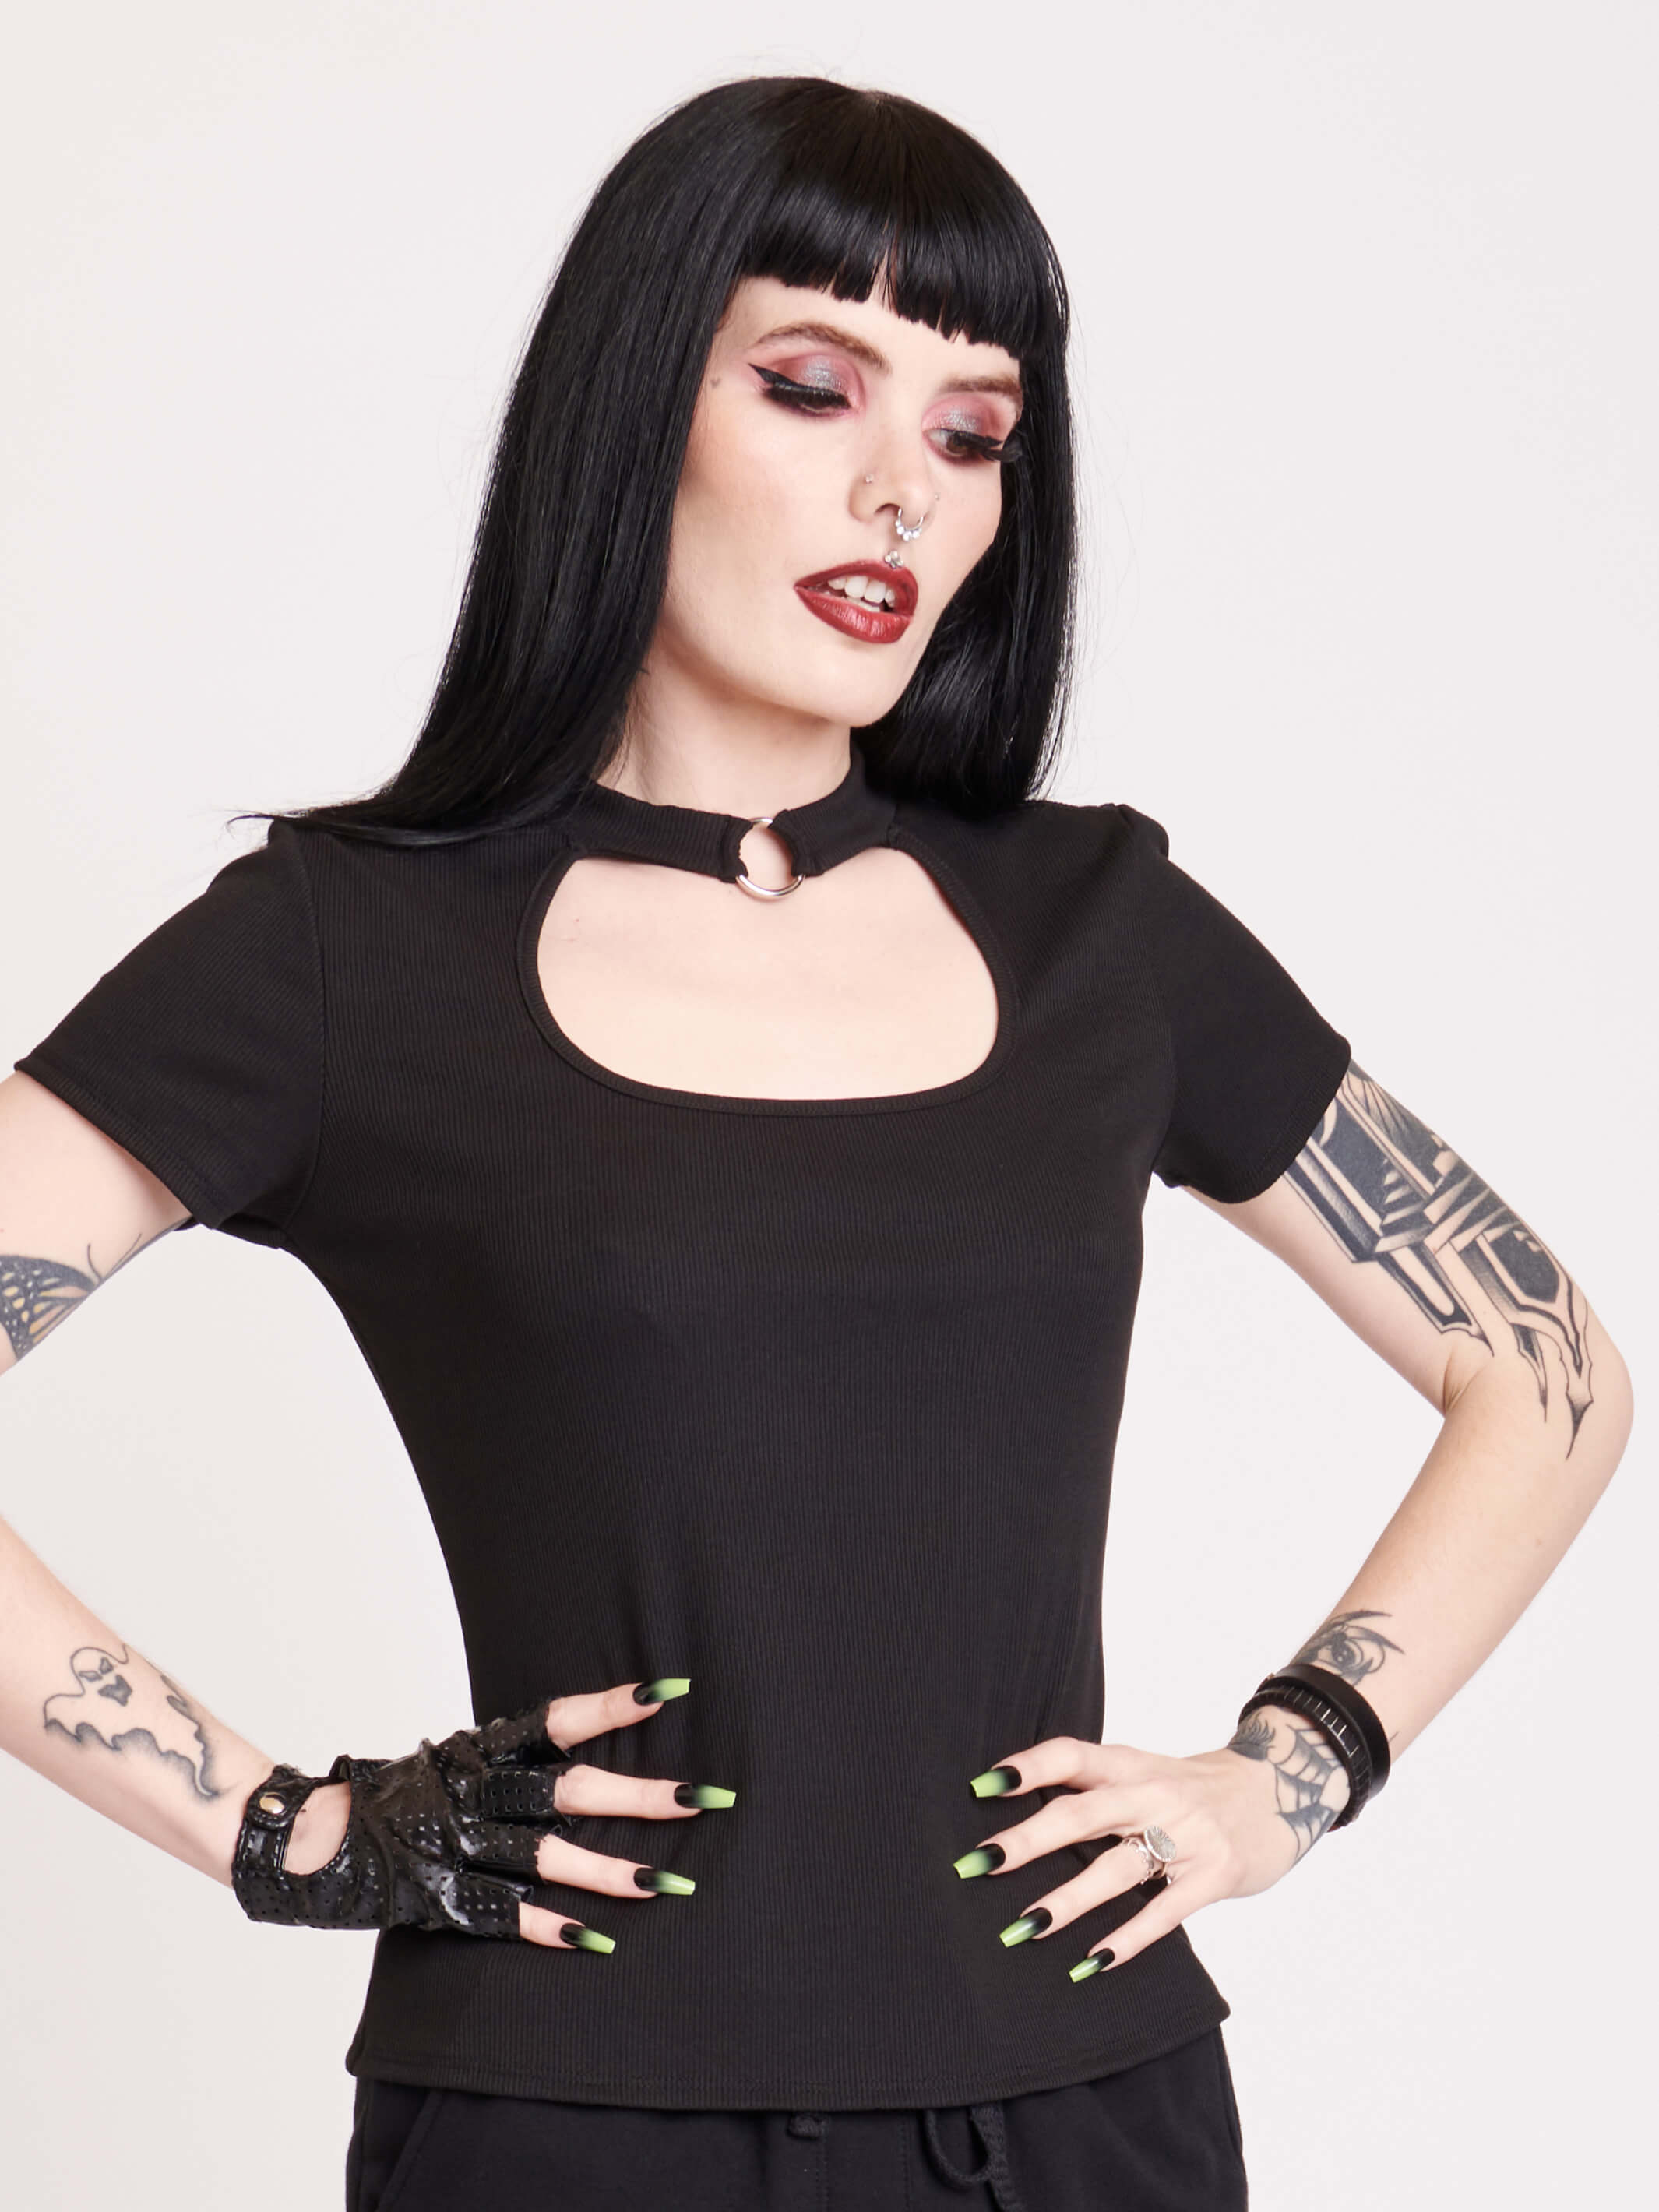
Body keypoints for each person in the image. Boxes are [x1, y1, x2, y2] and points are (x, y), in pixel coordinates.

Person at [0, 75, 1632, 2212]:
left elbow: (1545, 1368)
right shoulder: (344, 949)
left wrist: (1286, 1773)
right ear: (631, 402)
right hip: (565, 2129)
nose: (899, 492)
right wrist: (286, 1829)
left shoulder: (1100, 929)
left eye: (971, 434)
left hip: (1083, 2112)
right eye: (809, 385)